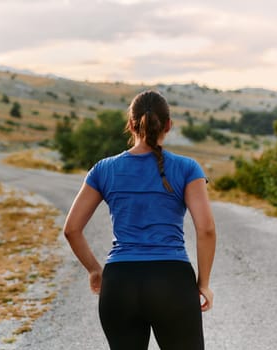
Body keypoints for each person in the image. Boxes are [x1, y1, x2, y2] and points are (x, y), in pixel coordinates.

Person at [63, 90, 216, 350]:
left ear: (131, 124)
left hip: (119, 283)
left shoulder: (103, 169)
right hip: (172, 281)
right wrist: (203, 284)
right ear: (168, 125)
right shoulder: (188, 168)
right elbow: (206, 230)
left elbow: (72, 229)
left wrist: (94, 270)